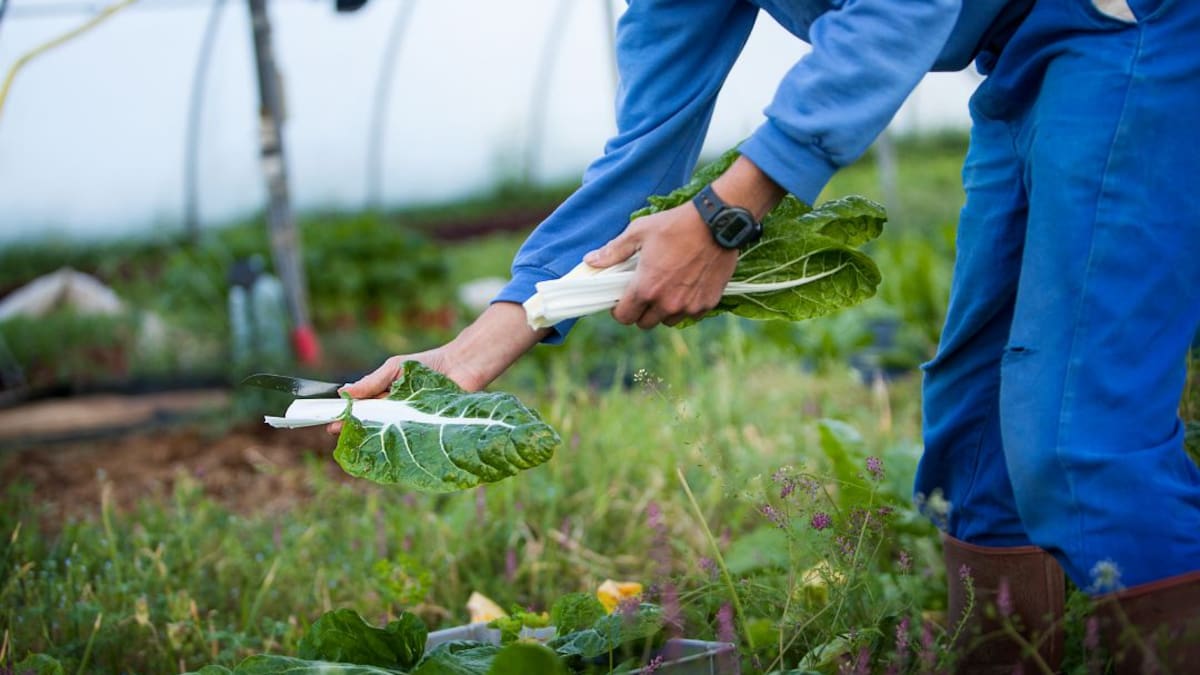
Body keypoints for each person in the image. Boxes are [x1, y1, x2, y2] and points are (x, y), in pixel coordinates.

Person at [340, 1, 1200, 670]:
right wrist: (480, 343)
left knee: (1079, 438)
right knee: (977, 448)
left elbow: (899, 10)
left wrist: (727, 213)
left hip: (1134, 29)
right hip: (1028, 54)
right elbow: (645, 150)